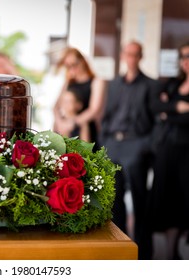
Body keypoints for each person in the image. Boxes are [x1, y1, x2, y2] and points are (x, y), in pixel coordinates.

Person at [99, 40, 160, 259]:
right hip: (114, 144)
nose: (131, 58)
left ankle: (143, 253)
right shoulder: (114, 84)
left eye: (135, 54)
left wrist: (146, 146)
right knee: (114, 202)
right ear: (123, 56)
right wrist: (104, 143)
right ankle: (119, 250)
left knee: (139, 199)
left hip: (137, 144)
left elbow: (156, 121)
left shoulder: (151, 85)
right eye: (128, 54)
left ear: (140, 57)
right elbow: (106, 116)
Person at [147, 41, 189, 259]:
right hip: (167, 149)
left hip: (187, 152)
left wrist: (169, 112)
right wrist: (177, 107)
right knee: (168, 200)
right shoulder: (172, 84)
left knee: (185, 199)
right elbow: (155, 106)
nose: (185, 61)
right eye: (182, 56)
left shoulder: (172, 90)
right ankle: (171, 254)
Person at [53, 47, 106, 148]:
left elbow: (94, 110)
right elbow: (56, 107)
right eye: (68, 66)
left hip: (87, 133)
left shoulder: (96, 81)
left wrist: (72, 123)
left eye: (74, 64)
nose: (72, 68)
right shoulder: (68, 82)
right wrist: (60, 123)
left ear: (82, 61)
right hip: (66, 131)